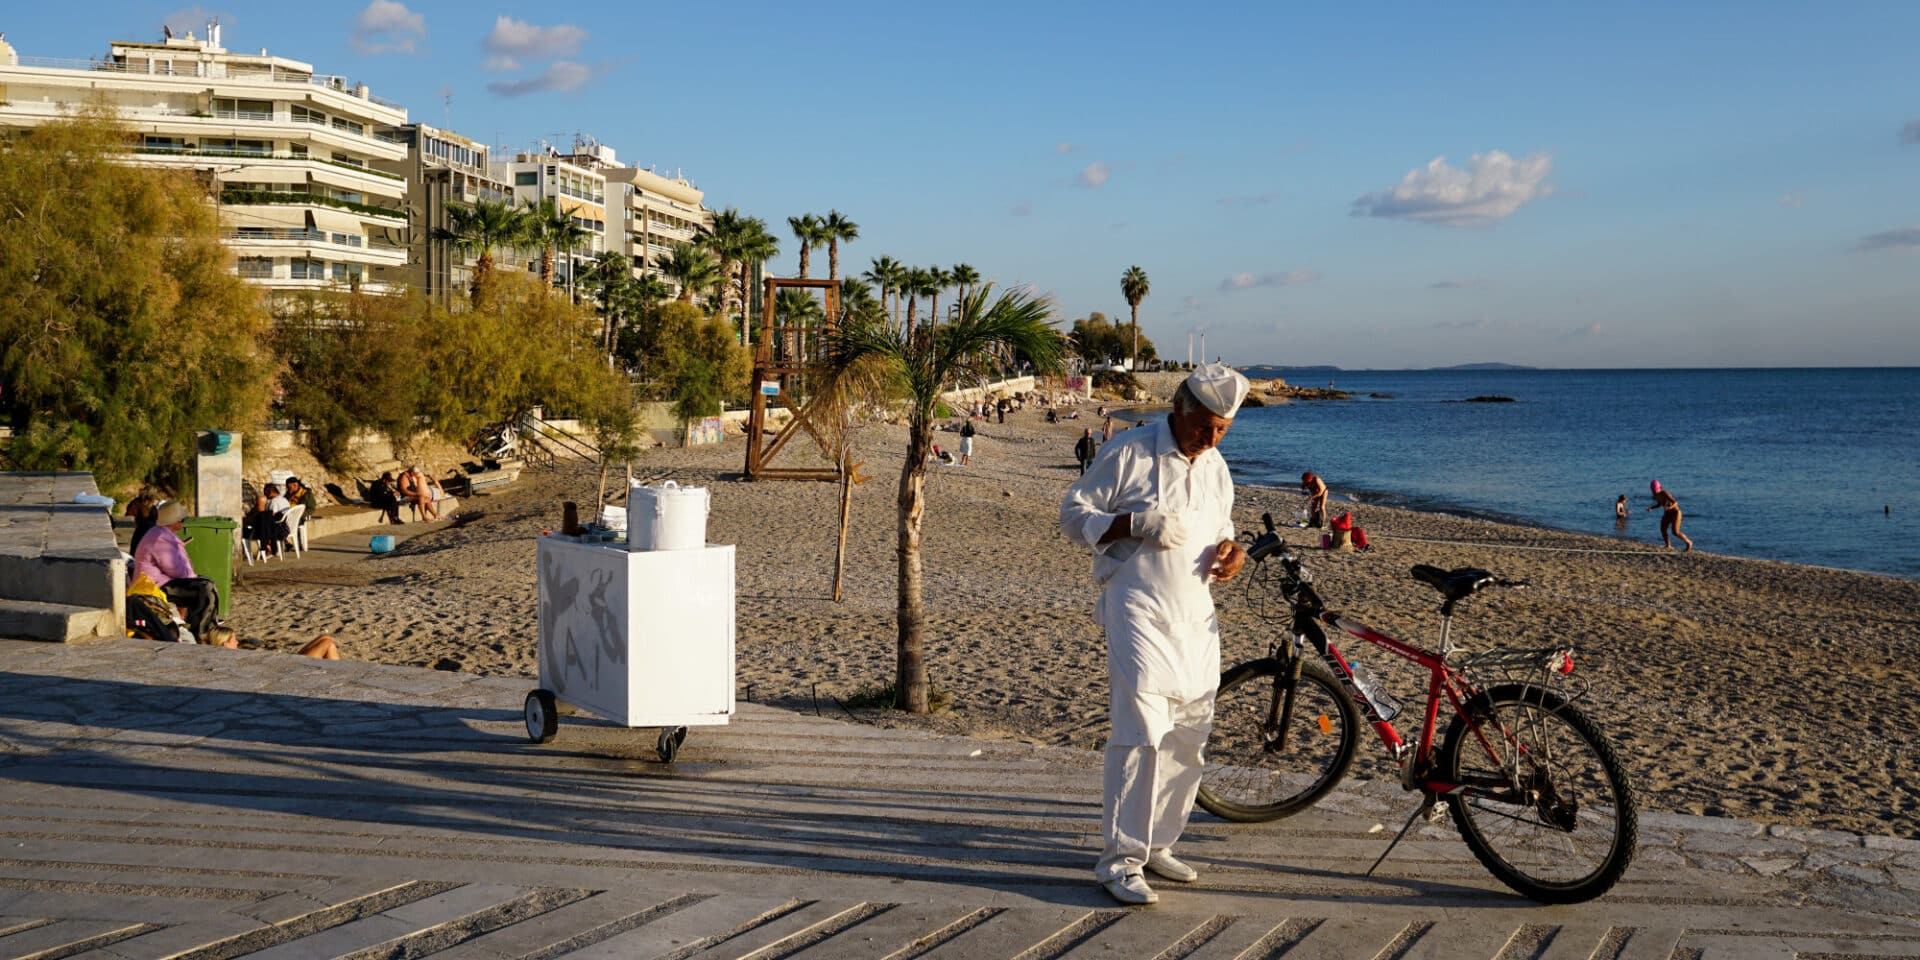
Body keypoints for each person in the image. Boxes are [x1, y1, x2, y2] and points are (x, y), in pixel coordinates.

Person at [1060, 362, 1251, 906]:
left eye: (1222, 430)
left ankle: (1158, 842)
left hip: (1196, 616)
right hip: (1137, 608)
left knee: (1190, 734)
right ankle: (1120, 861)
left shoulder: (1215, 466)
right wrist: (1133, 523)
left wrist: (1233, 552)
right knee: (1142, 731)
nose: (1210, 438)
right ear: (1179, 409)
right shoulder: (1130, 451)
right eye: (1204, 426)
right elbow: (1072, 515)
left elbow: (1222, 527)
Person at [132, 501, 219, 641]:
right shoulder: (159, 538)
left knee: (204, 584)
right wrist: (193, 576)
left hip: (160, 582)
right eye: (182, 519)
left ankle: (202, 628)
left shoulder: (161, 534)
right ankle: (204, 633)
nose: (183, 522)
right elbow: (176, 570)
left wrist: (192, 575)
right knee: (205, 587)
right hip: (153, 586)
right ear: (174, 521)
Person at [1646, 480, 1693, 551]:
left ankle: (1689, 542)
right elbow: (1660, 504)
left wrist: (1669, 507)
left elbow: (1675, 502)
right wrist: (1652, 508)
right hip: (1667, 513)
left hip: (1675, 512)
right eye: (1653, 490)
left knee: (1675, 532)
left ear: (1659, 488)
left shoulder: (1665, 493)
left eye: (1655, 490)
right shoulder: (1656, 495)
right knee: (1663, 528)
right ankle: (1668, 545)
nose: (1654, 492)